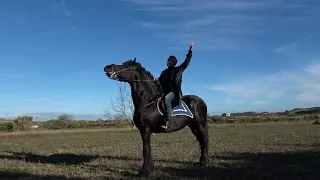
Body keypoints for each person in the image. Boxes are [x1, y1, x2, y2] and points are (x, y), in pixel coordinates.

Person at [154, 41, 194, 129]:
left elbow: (186, 62)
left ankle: (168, 120)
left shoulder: (178, 69)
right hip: (164, 92)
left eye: (168, 60)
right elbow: (159, 82)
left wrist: (190, 50)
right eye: (167, 60)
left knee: (166, 99)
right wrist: (155, 80)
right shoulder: (164, 72)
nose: (167, 61)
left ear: (173, 62)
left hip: (174, 93)